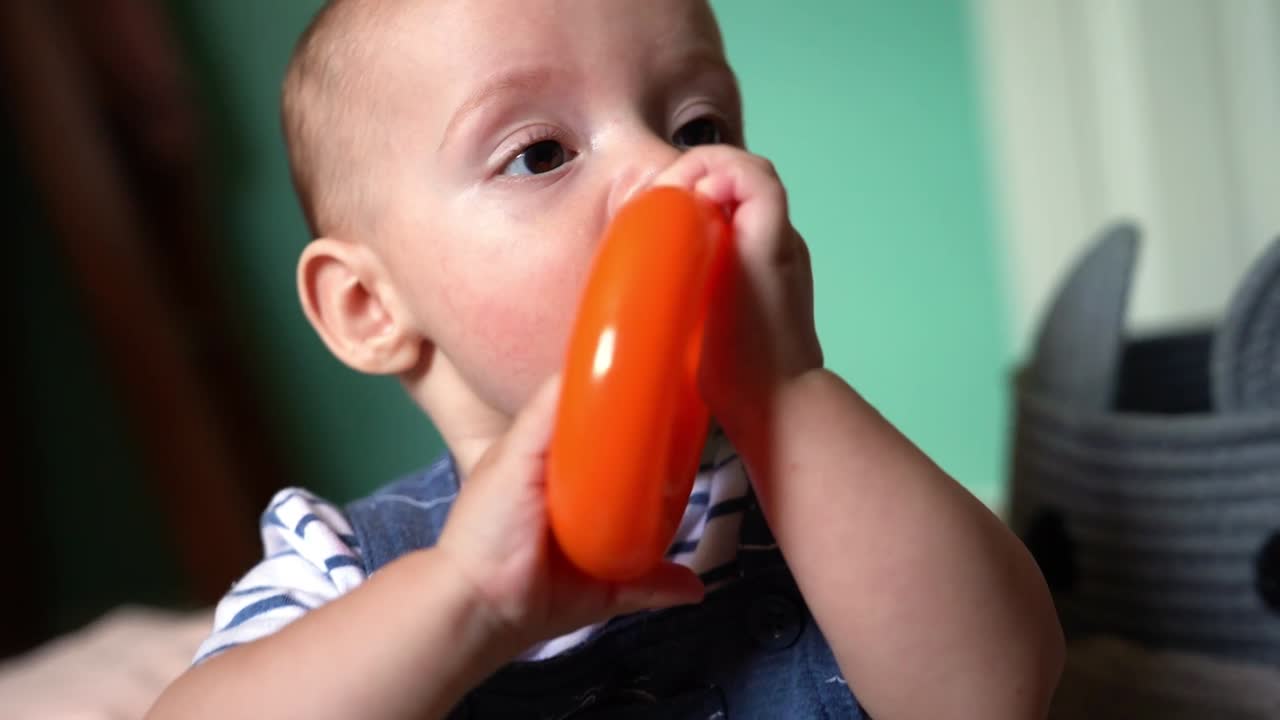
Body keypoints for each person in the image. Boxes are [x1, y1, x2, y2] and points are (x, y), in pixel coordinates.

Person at [147, 1, 1063, 717]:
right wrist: (464, 603)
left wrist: (788, 391)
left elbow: (994, 691)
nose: (668, 171)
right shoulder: (346, 568)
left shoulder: (808, 490)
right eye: (539, 152)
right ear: (370, 307)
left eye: (699, 128)